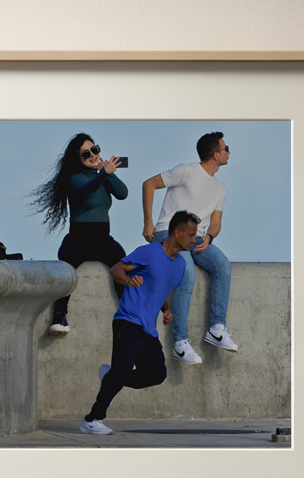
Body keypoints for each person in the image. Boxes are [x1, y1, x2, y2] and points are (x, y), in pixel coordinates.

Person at [80, 211, 201, 435]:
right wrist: (128, 280)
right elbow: (116, 269)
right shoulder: (149, 252)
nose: (194, 240)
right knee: (122, 371)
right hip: (128, 320)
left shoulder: (180, 265)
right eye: (191, 235)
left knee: (157, 374)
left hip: (148, 329)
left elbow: (164, 288)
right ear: (177, 232)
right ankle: (92, 419)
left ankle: (110, 377)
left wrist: (166, 309)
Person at [141, 131, 237, 364]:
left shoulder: (221, 188)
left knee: (222, 264)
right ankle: (180, 343)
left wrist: (209, 237)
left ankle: (217, 328)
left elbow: (215, 222)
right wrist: (148, 222)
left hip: (196, 239)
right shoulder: (186, 171)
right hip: (169, 232)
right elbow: (149, 184)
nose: (229, 152)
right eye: (226, 148)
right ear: (216, 154)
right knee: (188, 273)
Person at [28, 133, 129, 335]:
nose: (92, 155)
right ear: (77, 157)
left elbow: (123, 194)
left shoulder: (103, 175)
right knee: (65, 269)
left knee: (123, 264)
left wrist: (107, 172)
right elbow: (87, 189)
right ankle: (60, 317)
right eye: (86, 153)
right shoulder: (74, 178)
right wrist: (103, 173)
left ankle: (128, 316)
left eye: (94, 149)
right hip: (79, 238)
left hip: (102, 238)